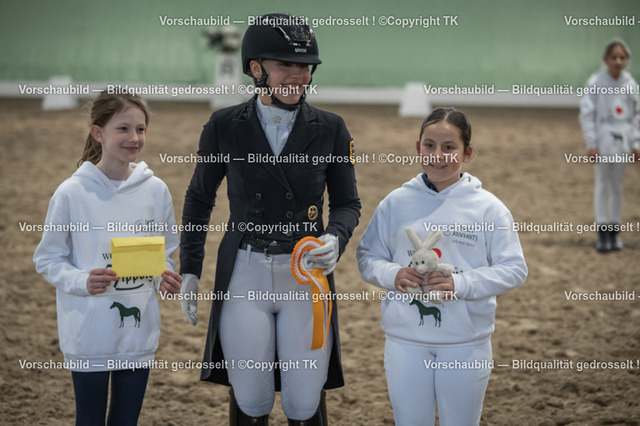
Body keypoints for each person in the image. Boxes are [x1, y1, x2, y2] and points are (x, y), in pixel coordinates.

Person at [178, 12, 360, 426]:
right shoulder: (224, 125)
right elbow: (199, 199)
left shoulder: (331, 128)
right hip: (246, 273)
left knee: (303, 402)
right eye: (286, 65)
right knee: (252, 399)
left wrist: (335, 237)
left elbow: (347, 203)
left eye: (305, 67)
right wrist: (190, 268)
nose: (299, 75)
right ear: (256, 69)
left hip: (305, 276)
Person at [356, 107, 527, 425]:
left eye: (449, 147)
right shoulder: (395, 202)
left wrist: (461, 284)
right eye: (429, 146)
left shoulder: (489, 209)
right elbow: (367, 256)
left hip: (466, 343)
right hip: (405, 341)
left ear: (467, 153)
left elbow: (514, 268)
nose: (437, 156)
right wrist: (393, 274)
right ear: (418, 147)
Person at [33, 90, 182, 425]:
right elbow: (47, 258)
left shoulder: (156, 190)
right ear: (98, 133)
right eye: (123, 129)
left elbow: (166, 252)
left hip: (139, 335)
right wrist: (82, 281)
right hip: (89, 333)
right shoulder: (71, 193)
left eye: (140, 129)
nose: (134, 138)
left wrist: (166, 276)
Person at [579, 38, 640, 252]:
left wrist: (636, 142)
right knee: (602, 185)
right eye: (614, 57)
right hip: (603, 143)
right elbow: (587, 114)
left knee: (617, 187)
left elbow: (637, 115)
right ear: (606, 59)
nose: (618, 61)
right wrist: (592, 143)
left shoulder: (630, 84)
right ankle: (602, 231)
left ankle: (614, 231)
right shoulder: (596, 82)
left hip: (622, 144)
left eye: (622, 57)